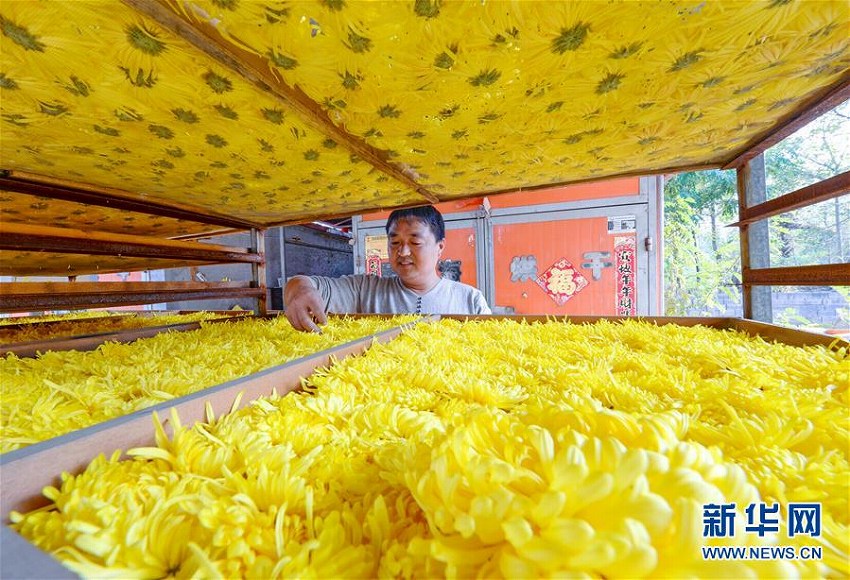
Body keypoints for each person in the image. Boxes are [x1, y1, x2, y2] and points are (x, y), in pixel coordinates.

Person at [284, 206, 491, 332]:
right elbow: (310, 285)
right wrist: (298, 288)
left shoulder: (470, 301)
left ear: (440, 247)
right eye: (394, 243)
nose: (402, 252)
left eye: (415, 242)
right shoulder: (364, 289)